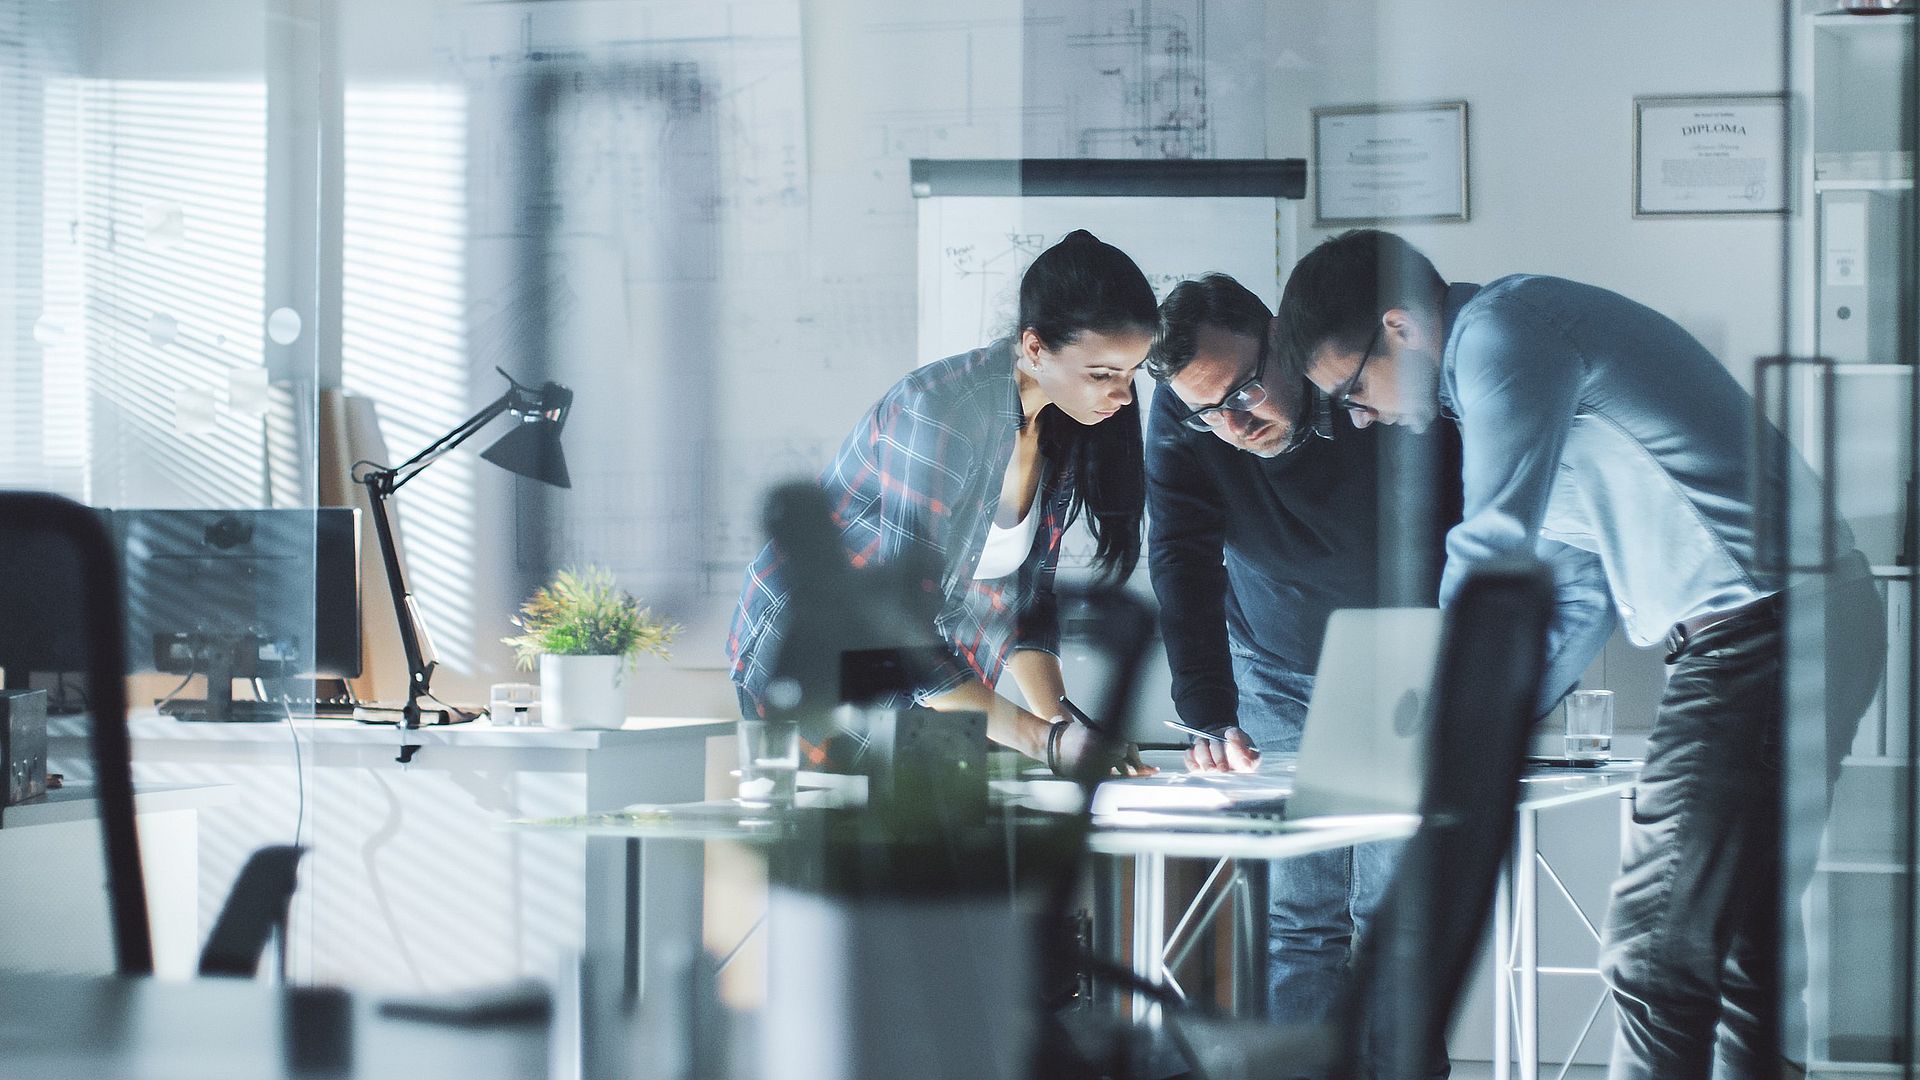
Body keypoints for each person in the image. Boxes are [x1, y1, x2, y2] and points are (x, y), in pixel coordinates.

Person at [1276, 229, 1885, 1080]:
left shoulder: (1501, 332)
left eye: (1352, 389)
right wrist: (1484, 738)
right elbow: (1578, 595)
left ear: (1401, 328)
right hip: (1797, 624)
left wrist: (1429, 728)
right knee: (1743, 949)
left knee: (1654, 953)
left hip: (1764, 634)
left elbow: (1489, 553)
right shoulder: (1529, 366)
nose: (1362, 417)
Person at [1146, 272, 1458, 1076]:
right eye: (1209, 410)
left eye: (1247, 388)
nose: (1235, 422)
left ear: (1279, 338)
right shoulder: (1186, 412)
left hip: (1393, 662)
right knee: (1301, 914)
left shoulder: (1365, 381)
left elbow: (1464, 514)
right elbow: (1180, 552)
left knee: (1391, 912)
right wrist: (1208, 708)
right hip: (1276, 661)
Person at [727, 229, 1155, 776]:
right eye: (1102, 374)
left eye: (1130, 374)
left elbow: (1029, 606)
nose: (1122, 396)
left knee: (931, 847)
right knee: (846, 852)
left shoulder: (1061, 428)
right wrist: (1042, 741)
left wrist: (1066, 727)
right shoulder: (938, 411)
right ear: (1034, 348)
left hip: (932, 671)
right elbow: (902, 619)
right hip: (825, 664)